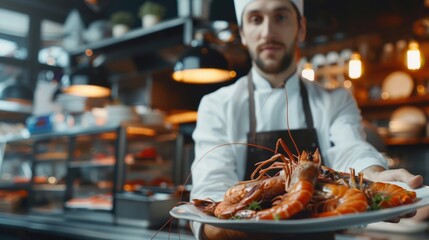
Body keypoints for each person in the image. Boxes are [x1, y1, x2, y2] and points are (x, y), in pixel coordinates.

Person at [189, 0, 424, 239]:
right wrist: (222, 225)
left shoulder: (336, 99)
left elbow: (351, 147)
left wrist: (372, 176)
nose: (268, 32)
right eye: (256, 19)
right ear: (243, 33)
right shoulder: (216, 105)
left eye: (280, 17)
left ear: (301, 28)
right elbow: (212, 186)